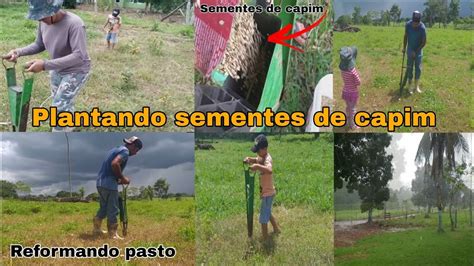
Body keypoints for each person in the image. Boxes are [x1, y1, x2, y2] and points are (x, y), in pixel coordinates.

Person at [4, 0, 91, 132]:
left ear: (53, 10)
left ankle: (60, 139)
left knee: (58, 107)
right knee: (61, 100)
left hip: (76, 70)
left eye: (42, 15)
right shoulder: (43, 22)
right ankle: (70, 124)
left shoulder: (75, 24)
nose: (40, 19)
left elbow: (79, 56)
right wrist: (18, 52)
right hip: (56, 67)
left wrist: (45, 65)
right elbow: (39, 44)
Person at [93, 136, 143, 240]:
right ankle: (113, 234)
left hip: (100, 183)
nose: (136, 153)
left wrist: (118, 179)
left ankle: (96, 229)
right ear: (133, 146)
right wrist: (123, 178)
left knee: (104, 208)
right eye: (137, 150)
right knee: (113, 209)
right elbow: (115, 164)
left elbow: (109, 169)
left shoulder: (115, 149)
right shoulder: (125, 152)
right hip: (109, 185)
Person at [243, 134, 280, 240]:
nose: (257, 153)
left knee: (263, 218)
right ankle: (276, 229)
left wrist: (258, 167)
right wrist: (251, 159)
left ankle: (265, 239)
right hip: (266, 192)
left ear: (265, 149)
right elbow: (257, 159)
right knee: (267, 212)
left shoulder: (268, 158)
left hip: (268, 193)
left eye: (258, 151)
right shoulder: (261, 156)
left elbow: (269, 170)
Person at [403, 11, 427, 94]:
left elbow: (424, 42)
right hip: (410, 48)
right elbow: (405, 36)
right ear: (412, 20)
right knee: (409, 67)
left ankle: (416, 86)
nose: (415, 24)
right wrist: (404, 47)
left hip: (419, 50)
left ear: (419, 21)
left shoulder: (422, 28)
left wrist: (416, 52)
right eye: (414, 22)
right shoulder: (408, 25)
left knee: (418, 68)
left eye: (417, 23)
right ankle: (410, 86)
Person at [339, 46, 361, 130]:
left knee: (348, 107)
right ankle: (353, 125)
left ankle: (348, 120)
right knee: (353, 109)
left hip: (345, 91)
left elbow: (345, 79)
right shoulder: (353, 71)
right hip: (353, 93)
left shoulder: (342, 70)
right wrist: (356, 82)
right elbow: (358, 82)